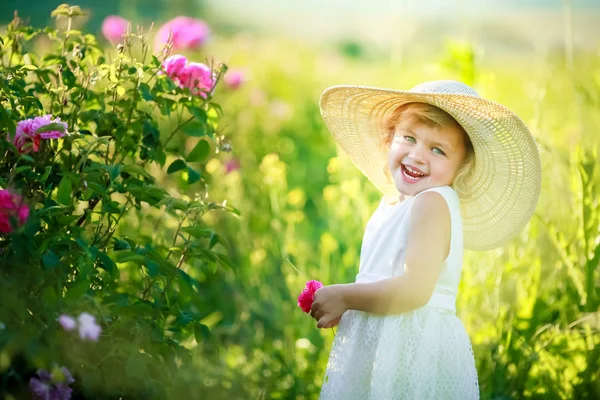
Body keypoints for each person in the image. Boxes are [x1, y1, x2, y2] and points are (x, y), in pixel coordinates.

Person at [311, 80, 542, 399]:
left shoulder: (432, 203)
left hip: (411, 349)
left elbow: (416, 290)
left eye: (438, 149)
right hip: (384, 342)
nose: (418, 155)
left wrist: (347, 296)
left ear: (462, 166)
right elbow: (384, 281)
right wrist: (354, 307)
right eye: (409, 138)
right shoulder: (394, 204)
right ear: (389, 139)